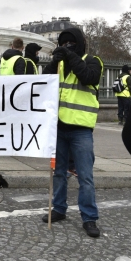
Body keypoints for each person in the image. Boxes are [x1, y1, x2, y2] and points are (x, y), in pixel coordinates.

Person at [42, 28, 103, 238]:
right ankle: (58, 208)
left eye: (71, 43)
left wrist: (70, 56)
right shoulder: (59, 65)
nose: (67, 46)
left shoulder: (93, 60)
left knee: (85, 177)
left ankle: (89, 218)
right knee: (58, 173)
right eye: (63, 43)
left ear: (79, 43)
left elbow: (89, 77)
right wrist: (54, 61)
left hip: (81, 129)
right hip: (58, 128)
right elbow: (44, 82)